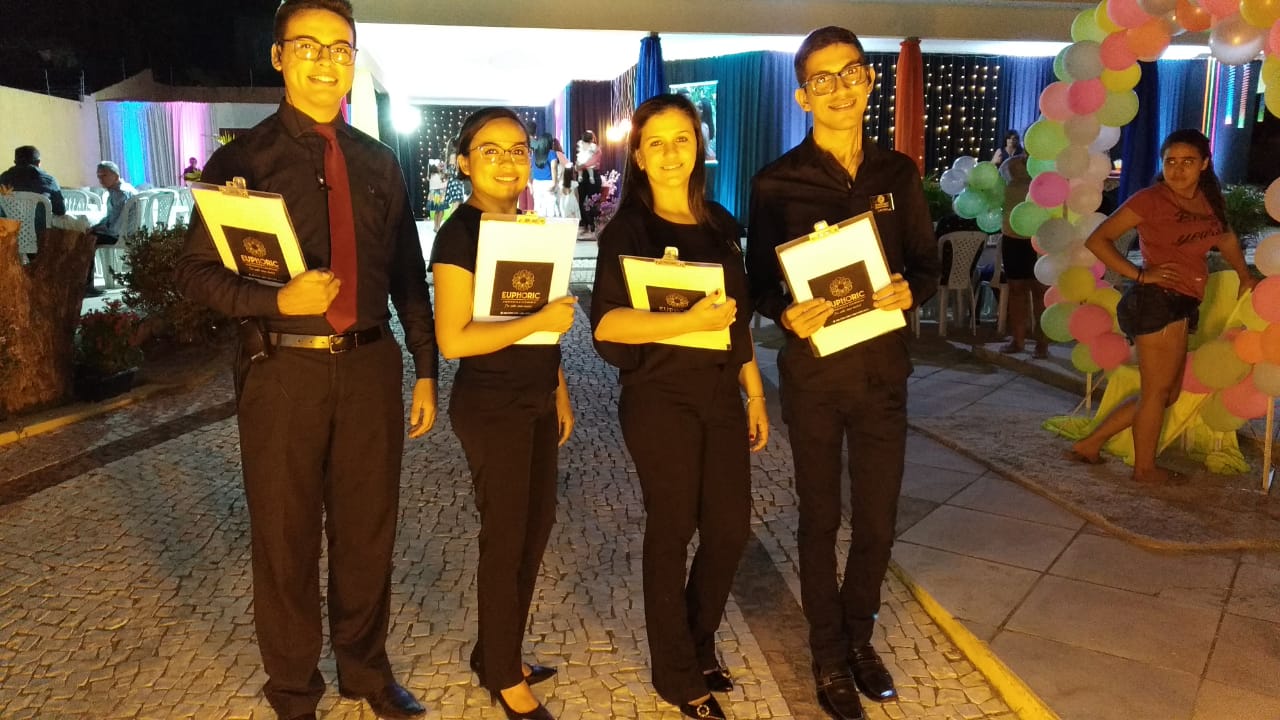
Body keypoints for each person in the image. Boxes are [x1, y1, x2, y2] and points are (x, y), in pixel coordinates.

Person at [173, 2, 437, 719]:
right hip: (281, 371)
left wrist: (426, 368)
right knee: (285, 534)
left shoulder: (379, 161)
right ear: (279, 56)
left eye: (341, 48)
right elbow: (193, 272)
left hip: (370, 366)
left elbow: (408, 276)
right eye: (309, 46)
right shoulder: (241, 162)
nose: (327, 60)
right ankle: (293, 689)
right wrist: (275, 300)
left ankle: (366, 671)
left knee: (368, 531)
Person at [746, 26, 939, 720]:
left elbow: (926, 265)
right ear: (804, 96)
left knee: (879, 524)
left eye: (850, 73)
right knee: (821, 518)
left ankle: (859, 639)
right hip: (815, 377)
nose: (838, 89)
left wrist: (909, 291)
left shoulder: (898, 175)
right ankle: (827, 654)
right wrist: (784, 312)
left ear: (868, 80)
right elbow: (757, 282)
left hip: (883, 371)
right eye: (821, 79)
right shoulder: (776, 182)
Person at [591, 94, 769, 720]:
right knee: (673, 529)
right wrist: (686, 321)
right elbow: (607, 326)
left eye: (682, 139)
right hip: (659, 398)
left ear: (699, 146)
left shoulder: (720, 224)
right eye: (657, 142)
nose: (671, 152)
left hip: (720, 395)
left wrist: (754, 391)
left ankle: (696, 640)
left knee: (730, 529)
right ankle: (674, 671)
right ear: (639, 156)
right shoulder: (628, 231)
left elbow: (737, 321)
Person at [429, 107, 577, 720]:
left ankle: (496, 650)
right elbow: (453, 340)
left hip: (535, 398)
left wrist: (559, 387)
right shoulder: (458, 235)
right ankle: (503, 674)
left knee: (534, 529)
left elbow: (542, 326)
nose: (508, 161)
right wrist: (540, 319)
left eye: (517, 149)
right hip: (491, 406)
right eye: (490, 151)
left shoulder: (528, 229)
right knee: (506, 539)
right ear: (465, 163)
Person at [1070, 129, 1256, 483]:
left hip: (1181, 302)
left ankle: (1090, 444)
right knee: (1156, 393)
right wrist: (1140, 274)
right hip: (1156, 301)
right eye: (1171, 162)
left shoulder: (1208, 201)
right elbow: (1098, 239)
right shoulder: (1151, 200)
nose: (1178, 170)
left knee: (1165, 394)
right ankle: (1144, 469)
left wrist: (1245, 275)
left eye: (1187, 162)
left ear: (1204, 164)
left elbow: (1226, 237)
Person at [998, 153, 1049, 357]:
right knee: (1016, 290)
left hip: (1038, 238)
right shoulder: (1010, 165)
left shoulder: (1046, 168)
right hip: (1012, 237)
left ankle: (1042, 343)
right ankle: (1018, 340)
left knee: (1039, 291)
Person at [0, 145, 66, 223]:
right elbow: (60, 211)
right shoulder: (50, 181)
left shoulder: (3, 178)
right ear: (38, 163)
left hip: (8, 229)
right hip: (40, 229)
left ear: (15, 162)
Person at [88, 161, 135, 246]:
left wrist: (96, 229)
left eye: (104, 175)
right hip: (129, 235)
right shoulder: (124, 188)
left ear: (116, 176)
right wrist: (96, 227)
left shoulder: (120, 193)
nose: (101, 180)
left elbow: (115, 226)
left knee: (84, 238)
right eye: (99, 177)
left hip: (122, 237)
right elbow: (111, 217)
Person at [575, 130, 601, 230]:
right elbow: (578, 162)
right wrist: (578, 167)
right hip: (584, 175)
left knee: (593, 200)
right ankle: (585, 222)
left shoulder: (596, 149)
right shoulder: (582, 147)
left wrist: (581, 166)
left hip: (592, 174)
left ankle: (592, 223)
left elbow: (593, 161)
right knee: (581, 200)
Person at [427, 161, 447, 231]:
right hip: (438, 194)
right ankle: (437, 227)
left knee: (438, 210)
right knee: (440, 210)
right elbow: (443, 184)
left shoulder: (433, 174)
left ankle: (436, 226)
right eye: (439, 165)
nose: (441, 167)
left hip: (437, 193)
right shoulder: (435, 175)